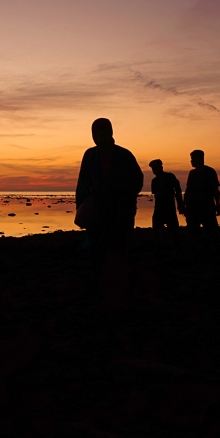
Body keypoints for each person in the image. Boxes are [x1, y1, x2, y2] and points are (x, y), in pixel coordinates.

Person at [76, 118, 143, 310]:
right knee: (97, 250)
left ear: (110, 132)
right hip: (97, 211)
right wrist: (82, 207)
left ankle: (120, 288)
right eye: (95, 133)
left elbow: (137, 180)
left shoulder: (124, 155)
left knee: (118, 249)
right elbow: (82, 182)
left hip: (120, 212)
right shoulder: (90, 155)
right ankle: (101, 286)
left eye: (102, 132)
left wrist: (122, 194)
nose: (98, 137)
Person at [184, 149, 220, 256]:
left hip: (207, 204)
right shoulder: (192, 173)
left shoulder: (210, 172)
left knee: (211, 228)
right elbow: (188, 190)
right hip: (193, 205)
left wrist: (218, 205)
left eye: (192, 159)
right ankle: (195, 249)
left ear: (198, 159)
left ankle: (215, 246)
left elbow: (215, 190)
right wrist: (184, 204)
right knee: (192, 228)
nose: (191, 162)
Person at [148, 159, 183, 250]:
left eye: (155, 168)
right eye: (153, 169)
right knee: (157, 228)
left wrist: (180, 205)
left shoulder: (170, 177)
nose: (154, 171)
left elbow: (178, 191)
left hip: (169, 208)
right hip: (159, 208)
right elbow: (156, 195)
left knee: (173, 228)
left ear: (161, 167)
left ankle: (177, 246)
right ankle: (160, 247)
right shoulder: (155, 181)